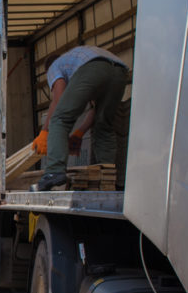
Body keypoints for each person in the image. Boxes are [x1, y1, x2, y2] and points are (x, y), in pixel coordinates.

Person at [31, 45, 129, 191]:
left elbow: (58, 99)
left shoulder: (54, 66)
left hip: (94, 67)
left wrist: (44, 132)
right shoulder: (74, 63)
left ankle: (54, 171)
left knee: (59, 119)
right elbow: (95, 110)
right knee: (104, 126)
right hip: (120, 71)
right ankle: (108, 177)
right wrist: (79, 133)